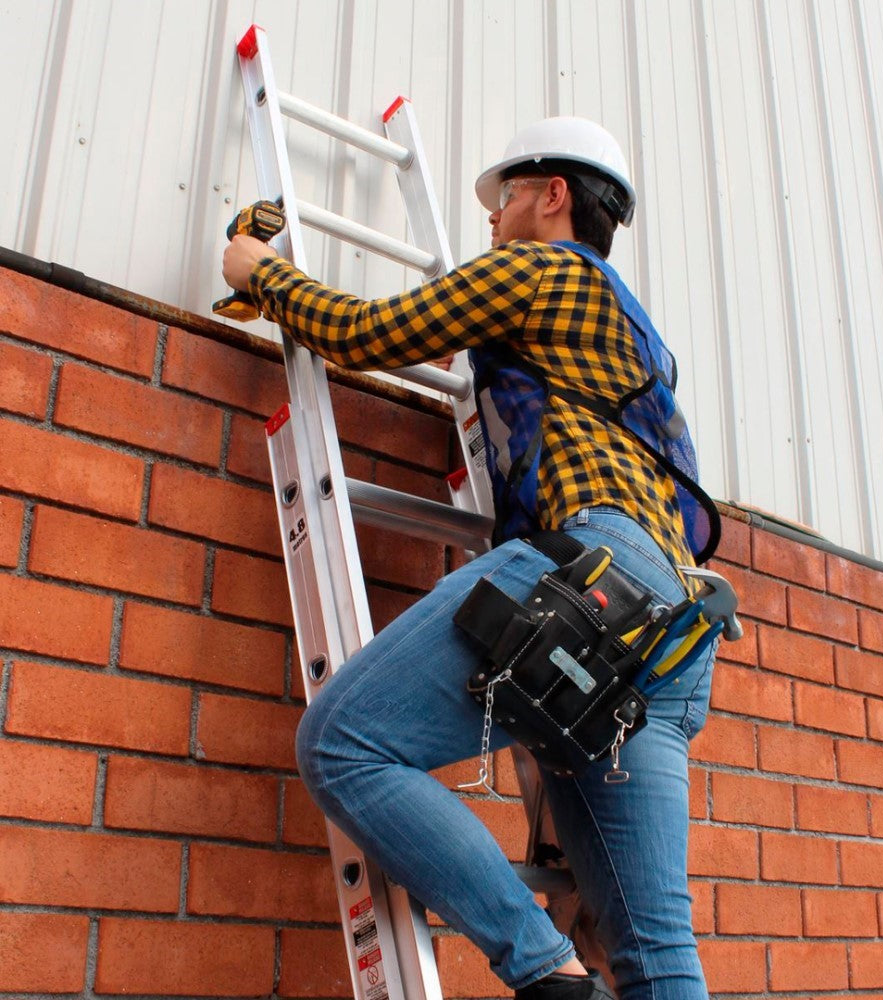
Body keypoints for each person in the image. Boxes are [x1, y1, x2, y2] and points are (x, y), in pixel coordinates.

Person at [222, 116, 719, 1000]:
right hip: (676, 624)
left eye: (507, 195)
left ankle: (546, 974)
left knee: (344, 743)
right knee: (655, 944)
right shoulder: (637, 333)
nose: (492, 217)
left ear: (554, 195)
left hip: (591, 579)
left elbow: (365, 333)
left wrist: (262, 274)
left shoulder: (537, 269)